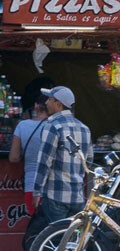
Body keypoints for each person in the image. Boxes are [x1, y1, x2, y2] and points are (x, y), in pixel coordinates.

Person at [32, 86, 93, 225]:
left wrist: (36, 191)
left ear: (58, 105)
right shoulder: (84, 128)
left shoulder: (52, 126)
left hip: (55, 196)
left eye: (50, 99)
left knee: (56, 239)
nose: (46, 102)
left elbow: (44, 162)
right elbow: (88, 161)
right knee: (73, 242)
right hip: (77, 197)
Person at [9, 95, 49, 215]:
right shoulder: (55, 126)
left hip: (31, 185)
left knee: (36, 226)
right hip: (53, 188)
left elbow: (14, 157)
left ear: (36, 106)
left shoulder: (23, 126)